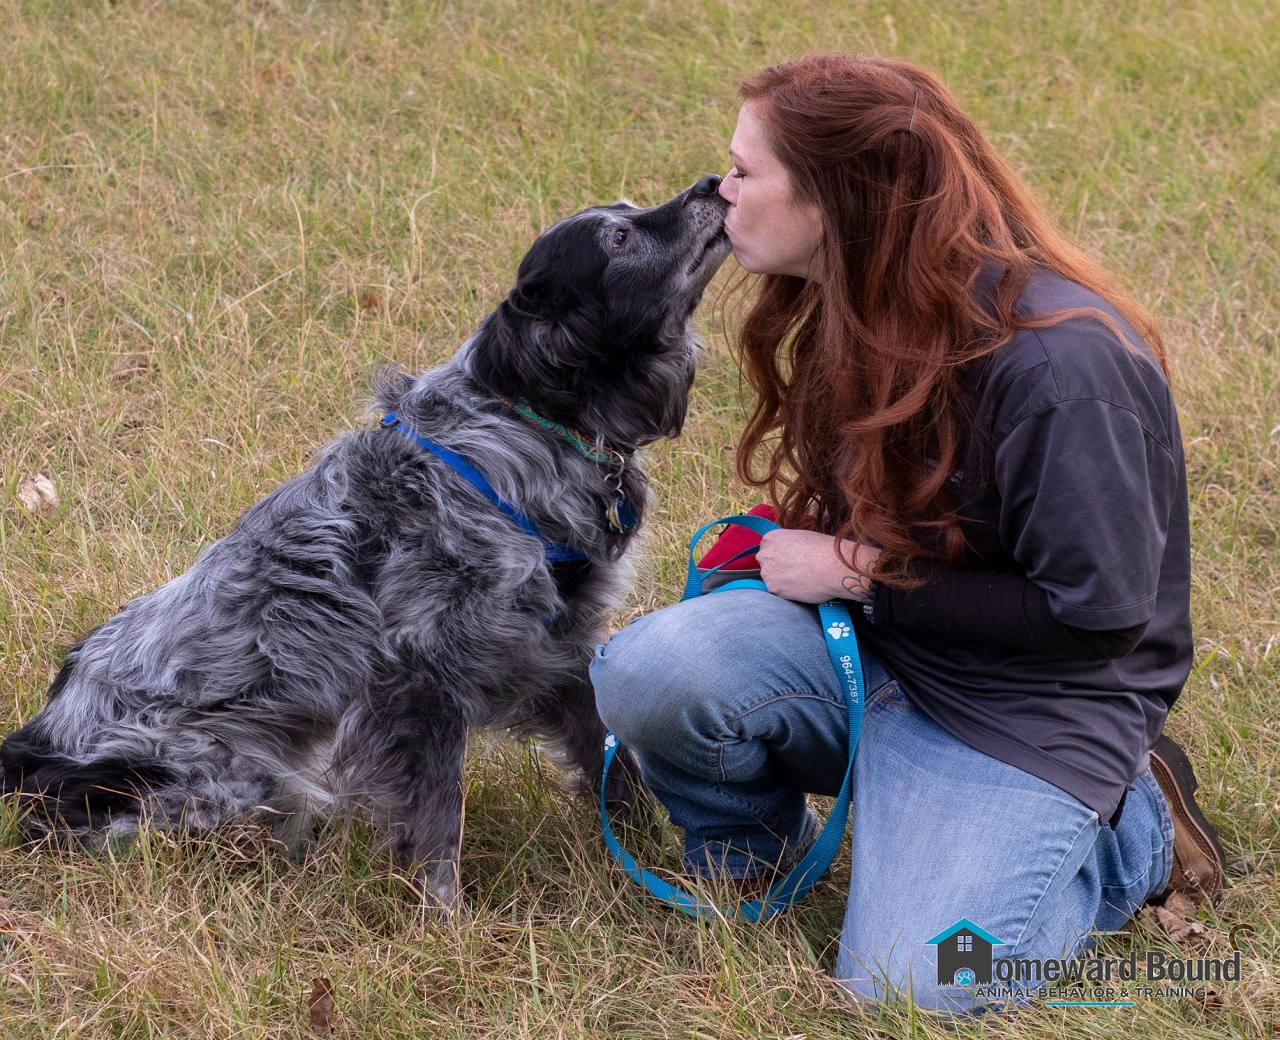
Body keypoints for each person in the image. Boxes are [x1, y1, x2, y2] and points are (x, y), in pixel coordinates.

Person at [590, 53, 1227, 1014]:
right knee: (643, 671)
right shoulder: (867, 297)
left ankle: (1130, 828)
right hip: (883, 656)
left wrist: (861, 575)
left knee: (923, 985)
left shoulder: (1065, 370)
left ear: (843, 198)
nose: (722, 193)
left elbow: (1097, 617)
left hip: (1031, 715)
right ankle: (748, 856)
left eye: (746, 171)